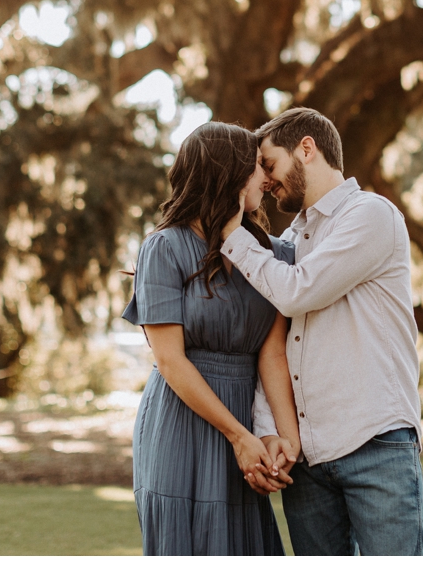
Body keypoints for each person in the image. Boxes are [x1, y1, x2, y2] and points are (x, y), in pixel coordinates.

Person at [220, 107, 423, 555]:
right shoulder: (290, 241)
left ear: (306, 149)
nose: (266, 180)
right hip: (307, 459)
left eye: (269, 164)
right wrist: (268, 430)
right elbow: (272, 346)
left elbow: (298, 292)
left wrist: (231, 237)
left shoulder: (371, 214)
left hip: (376, 443)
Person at [121, 122, 301, 555]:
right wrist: (239, 437)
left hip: (247, 419)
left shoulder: (276, 256)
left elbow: (272, 354)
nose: (268, 177)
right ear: (230, 173)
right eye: (258, 165)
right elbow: (170, 360)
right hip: (180, 421)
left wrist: (281, 439)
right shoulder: (164, 248)